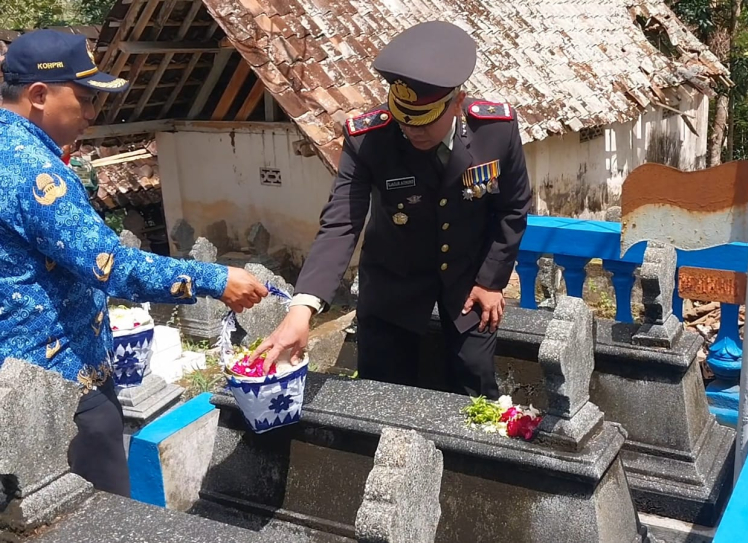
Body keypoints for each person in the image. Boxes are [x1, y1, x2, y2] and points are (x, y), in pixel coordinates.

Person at [0, 30, 269, 497]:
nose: (92, 114)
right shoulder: (31, 169)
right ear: (39, 95)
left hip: (17, 375)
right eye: (84, 99)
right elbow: (111, 266)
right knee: (100, 515)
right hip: (58, 385)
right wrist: (215, 278)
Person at [253, 21, 532, 399]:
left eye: (425, 120)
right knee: (381, 394)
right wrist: (303, 308)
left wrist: (491, 280)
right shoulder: (369, 139)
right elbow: (341, 222)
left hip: (470, 285)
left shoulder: (495, 130)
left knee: (475, 389)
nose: (413, 131)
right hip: (392, 286)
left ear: (457, 103)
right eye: (404, 119)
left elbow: (513, 208)